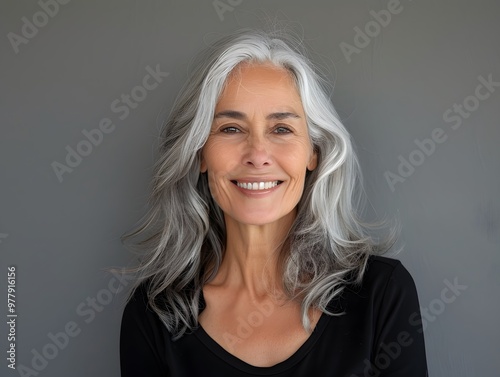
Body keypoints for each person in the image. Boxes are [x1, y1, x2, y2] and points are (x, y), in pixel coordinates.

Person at [119, 28, 428, 376]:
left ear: (314, 152)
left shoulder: (381, 295)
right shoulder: (155, 313)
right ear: (200, 153)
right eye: (231, 129)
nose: (257, 155)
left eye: (281, 129)